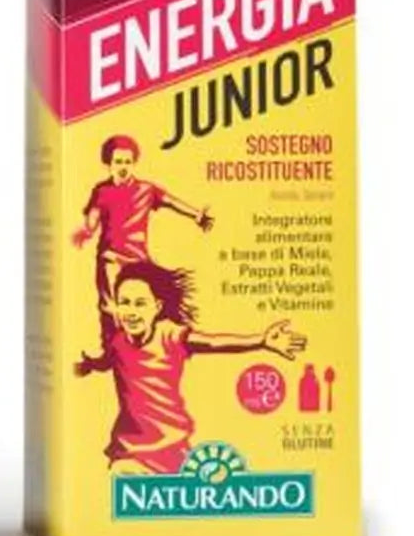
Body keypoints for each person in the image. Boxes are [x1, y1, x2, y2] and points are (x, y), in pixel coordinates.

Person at [75, 261, 307, 474]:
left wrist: (260, 341)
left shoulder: (170, 335)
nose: (132, 311)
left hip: (173, 448)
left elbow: (212, 342)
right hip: (129, 450)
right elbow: (108, 360)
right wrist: (89, 365)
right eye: (124, 303)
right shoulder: (117, 342)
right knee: (122, 477)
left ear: (157, 307)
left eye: (140, 303)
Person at [72, 135, 213, 345]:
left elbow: (171, 202)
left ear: (133, 163)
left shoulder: (146, 189)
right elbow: (93, 219)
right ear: (109, 163)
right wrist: (86, 231)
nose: (123, 167)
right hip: (112, 259)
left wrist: (196, 215)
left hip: (139, 260)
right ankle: (112, 348)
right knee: (111, 307)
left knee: (148, 304)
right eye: (118, 162)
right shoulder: (102, 191)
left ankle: (143, 346)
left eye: (127, 162)